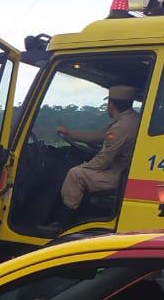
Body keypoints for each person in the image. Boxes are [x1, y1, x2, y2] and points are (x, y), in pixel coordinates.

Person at [56, 84, 140, 220]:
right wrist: (70, 134)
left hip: (118, 174)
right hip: (125, 171)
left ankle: (63, 221)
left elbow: (103, 160)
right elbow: (100, 136)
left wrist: (83, 165)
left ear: (111, 105)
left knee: (75, 174)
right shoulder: (132, 119)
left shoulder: (121, 126)